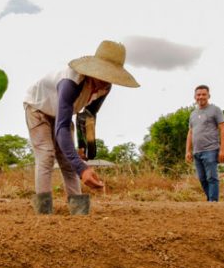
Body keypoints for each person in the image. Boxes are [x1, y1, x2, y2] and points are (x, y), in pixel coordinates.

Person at [24, 40, 139, 215]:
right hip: (38, 108)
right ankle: (43, 210)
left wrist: (83, 147)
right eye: (104, 74)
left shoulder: (105, 87)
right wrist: (83, 168)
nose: (106, 80)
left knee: (70, 162)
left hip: (63, 112)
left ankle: (79, 210)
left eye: (110, 76)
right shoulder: (70, 83)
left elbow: (87, 116)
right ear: (94, 69)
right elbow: (61, 127)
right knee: (47, 155)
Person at [185, 85, 224, 202]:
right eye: (198, 95)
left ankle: (213, 202)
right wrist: (188, 151)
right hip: (197, 151)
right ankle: (210, 201)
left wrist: (223, 150)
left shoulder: (215, 110)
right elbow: (190, 132)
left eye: (204, 94)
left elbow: (223, 128)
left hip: (211, 149)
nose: (201, 97)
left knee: (211, 177)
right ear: (195, 97)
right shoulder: (193, 114)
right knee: (202, 178)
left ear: (209, 96)